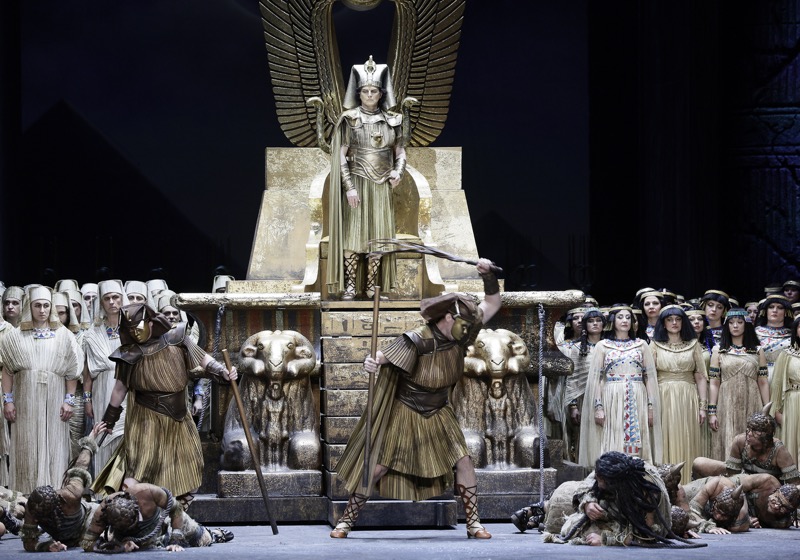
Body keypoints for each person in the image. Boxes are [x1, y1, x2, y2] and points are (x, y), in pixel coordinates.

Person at [330, 260, 501, 539]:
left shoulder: (461, 334)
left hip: (440, 409)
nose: (468, 330)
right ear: (448, 317)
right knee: (379, 466)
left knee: (464, 461)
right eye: (464, 324)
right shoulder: (419, 338)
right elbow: (383, 357)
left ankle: (474, 524)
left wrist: (489, 275)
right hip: (407, 408)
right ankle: (346, 521)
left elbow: (492, 303)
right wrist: (371, 362)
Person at [92, 303, 237, 504]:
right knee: (142, 467)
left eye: (139, 328)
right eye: (131, 330)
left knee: (190, 463)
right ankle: (132, 510)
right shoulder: (128, 353)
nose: (135, 333)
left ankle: (177, 510)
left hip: (179, 414)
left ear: (151, 322)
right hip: (146, 416)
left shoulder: (177, 336)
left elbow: (202, 358)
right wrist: (109, 418)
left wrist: (222, 371)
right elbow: (119, 389)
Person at [326, 55, 405, 300]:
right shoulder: (349, 119)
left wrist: (398, 171)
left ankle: (371, 287)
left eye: (374, 91)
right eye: (365, 91)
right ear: (358, 93)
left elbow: (400, 152)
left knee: (378, 239)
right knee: (353, 237)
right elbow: (340, 156)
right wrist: (348, 186)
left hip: (381, 186)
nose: (370, 95)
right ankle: (351, 286)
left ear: (381, 94)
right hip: (357, 182)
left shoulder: (393, 121)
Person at [0, 286, 81, 493]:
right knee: (25, 445)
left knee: (54, 445)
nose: (42, 310)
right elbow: (7, 371)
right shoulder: (15, 336)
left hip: (55, 399)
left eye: (46, 305)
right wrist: (8, 400)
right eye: (37, 305)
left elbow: (72, 372)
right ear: (30, 307)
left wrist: (69, 400)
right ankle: (24, 495)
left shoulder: (64, 336)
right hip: (25, 400)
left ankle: (54, 494)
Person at [581, 305, 662, 464]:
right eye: (620, 317)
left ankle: (637, 473)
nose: (624, 320)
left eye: (628, 317)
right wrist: (598, 406)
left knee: (638, 436)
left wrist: (651, 406)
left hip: (637, 395)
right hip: (611, 396)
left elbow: (649, 378)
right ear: (613, 320)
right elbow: (597, 379)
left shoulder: (641, 345)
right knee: (613, 434)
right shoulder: (603, 346)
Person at [541, 452, 673, 546]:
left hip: (631, 521)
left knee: (585, 532)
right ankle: (541, 509)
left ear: (614, 483)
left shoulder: (648, 494)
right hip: (612, 509)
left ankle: (541, 509)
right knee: (568, 520)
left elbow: (647, 536)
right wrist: (588, 503)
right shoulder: (607, 468)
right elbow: (587, 484)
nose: (598, 484)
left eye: (600, 481)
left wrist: (606, 539)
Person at [20, 422, 107, 551]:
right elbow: (28, 542)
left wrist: (90, 440)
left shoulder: (71, 494)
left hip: (89, 522)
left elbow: (81, 466)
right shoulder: (33, 508)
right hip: (65, 538)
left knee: (115, 519)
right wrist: (46, 546)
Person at [83, 480, 233, 552]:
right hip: (130, 539)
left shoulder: (147, 492)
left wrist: (176, 540)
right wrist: (119, 546)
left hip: (161, 522)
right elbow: (86, 543)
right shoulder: (103, 510)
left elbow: (176, 508)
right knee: (150, 545)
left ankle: (214, 534)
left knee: (201, 537)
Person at [651, 305, 708, 484]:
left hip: (688, 397)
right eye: (669, 320)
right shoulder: (654, 345)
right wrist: (650, 405)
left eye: (678, 319)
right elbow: (649, 377)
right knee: (665, 438)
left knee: (687, 437)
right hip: (663, 396)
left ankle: (689, 484)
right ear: (663, 323)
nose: (674, 323)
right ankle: (666, 483)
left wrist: (703, 406)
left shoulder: (693, 344)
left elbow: (700, 377)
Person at [708, 308, 770, 461]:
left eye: (739, 322)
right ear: (726, 325)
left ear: (746, 325)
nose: (735, 326)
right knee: (727, 438)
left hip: (752, 401)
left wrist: (767, 410)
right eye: (731, 323)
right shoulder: (718, 350)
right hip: (726, 403)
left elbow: (763, 382)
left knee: (753, 439)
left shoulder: (757, 350)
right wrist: (712, 412)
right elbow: (714, 383)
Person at [82, 280, 129, 475]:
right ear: (101, 302)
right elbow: (87, 373)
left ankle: (125, 489)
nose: (111, 302)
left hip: (128, 390)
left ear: (122, 299)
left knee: (126, 439)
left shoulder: (133, 330)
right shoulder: (92, 334)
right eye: (107, 298)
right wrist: (87, 400)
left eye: (115, 297)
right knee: (103, 436)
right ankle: (102, 488)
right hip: (102, 391)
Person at [693, 407, 800, 484]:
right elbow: (733, 474)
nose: (749, 433)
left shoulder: (778, 450)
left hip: (766, 489)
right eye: (749, 428)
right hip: (742, 482)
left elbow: (794, 483)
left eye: (755, 431)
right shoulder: (740, 441)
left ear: (766, 435)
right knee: (699, 463)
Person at [563, 308, 604, 465]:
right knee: (586, 437)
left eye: (598, 321)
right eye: (591, 321)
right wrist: (573, 406)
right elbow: (573, 378)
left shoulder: (609, 346)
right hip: (584, 397)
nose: (595, 324)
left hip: (608, 395)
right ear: (585, 325)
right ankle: (588, 470)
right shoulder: (577, 348)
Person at [770, 316, 800, 463]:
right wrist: (776, 411)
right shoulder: (786, 355)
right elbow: (776, 385)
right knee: (791, 443)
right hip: (792, 403)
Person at [755, 294, 793, 380]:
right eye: (771, 307)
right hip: (757, 375)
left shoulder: (793, 335)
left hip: (785, 376)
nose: (775, 310)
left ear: (786, 312)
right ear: (765, 311)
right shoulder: (754, 333)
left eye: (780, 308)